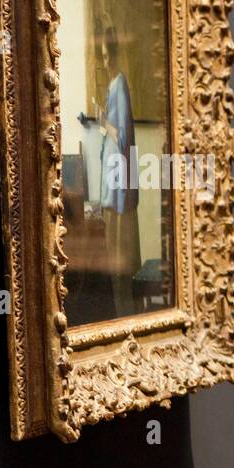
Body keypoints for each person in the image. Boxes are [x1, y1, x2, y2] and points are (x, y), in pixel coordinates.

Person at [93, 23, 140, 318]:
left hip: (119, 190)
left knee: (119, 264)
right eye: (102, 56)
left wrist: (101, 119)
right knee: (112, 262)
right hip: (113, 187)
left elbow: (121, 136)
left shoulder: (119, 85)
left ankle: (125, 318)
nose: (105, 61)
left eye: (106, 55)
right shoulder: (114, 85)